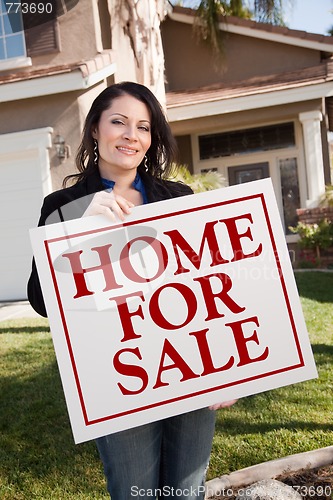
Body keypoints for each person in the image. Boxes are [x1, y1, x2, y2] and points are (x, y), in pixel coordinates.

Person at [27, 81, 236, 499]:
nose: (131, 135)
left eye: (143, 127)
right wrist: (79, 228)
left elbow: (209, 287)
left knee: (186, 490)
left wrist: (224, 369)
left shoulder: (178, 197)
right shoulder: (63, 204)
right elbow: (40, 299)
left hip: (189, 365)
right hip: (117, 373)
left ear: (151, 139)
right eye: (118, 122)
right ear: (94, 130)